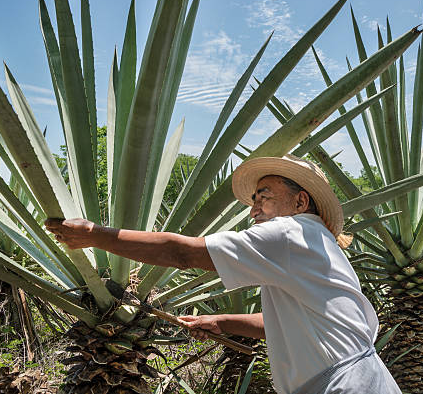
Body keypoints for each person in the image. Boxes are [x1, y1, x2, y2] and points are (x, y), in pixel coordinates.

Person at [45, 155, 401, 394]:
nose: (254, 209)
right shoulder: (313, 244)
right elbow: (282, 321)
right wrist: (221, 322)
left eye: (264, 196)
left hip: (346, 384)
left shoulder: (290, 234)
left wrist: (94, 236)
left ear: (300, 202)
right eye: (254, 201)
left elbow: (182, 253)